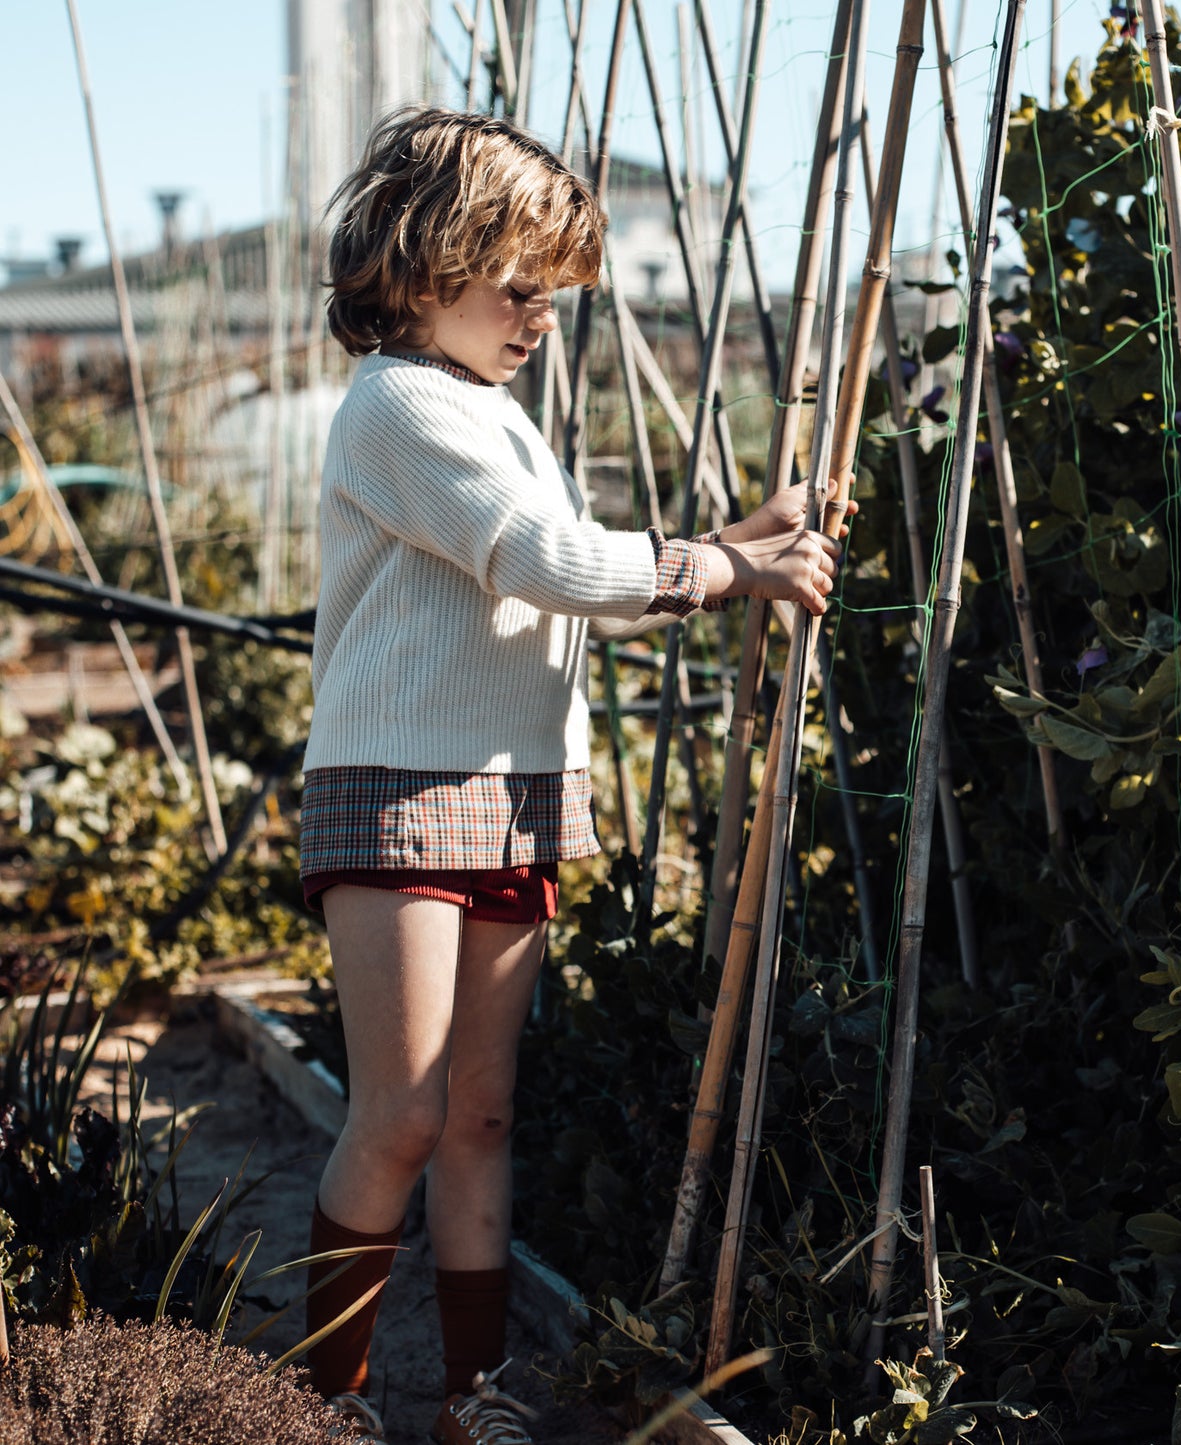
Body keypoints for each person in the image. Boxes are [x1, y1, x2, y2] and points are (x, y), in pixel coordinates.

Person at [297, 106, 853, 1445]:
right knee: (404, 1112)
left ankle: (472, 1395)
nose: (542, 310)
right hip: (395, 788)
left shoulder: (487, 411)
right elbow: (546, 563)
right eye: (519, 280)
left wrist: (724, 534)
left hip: (506, 791)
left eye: (553, 286)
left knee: (480, 1112)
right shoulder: (396, 406)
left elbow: (555, 546)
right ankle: (321, 1398)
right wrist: (726, 569)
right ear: (428, 260)